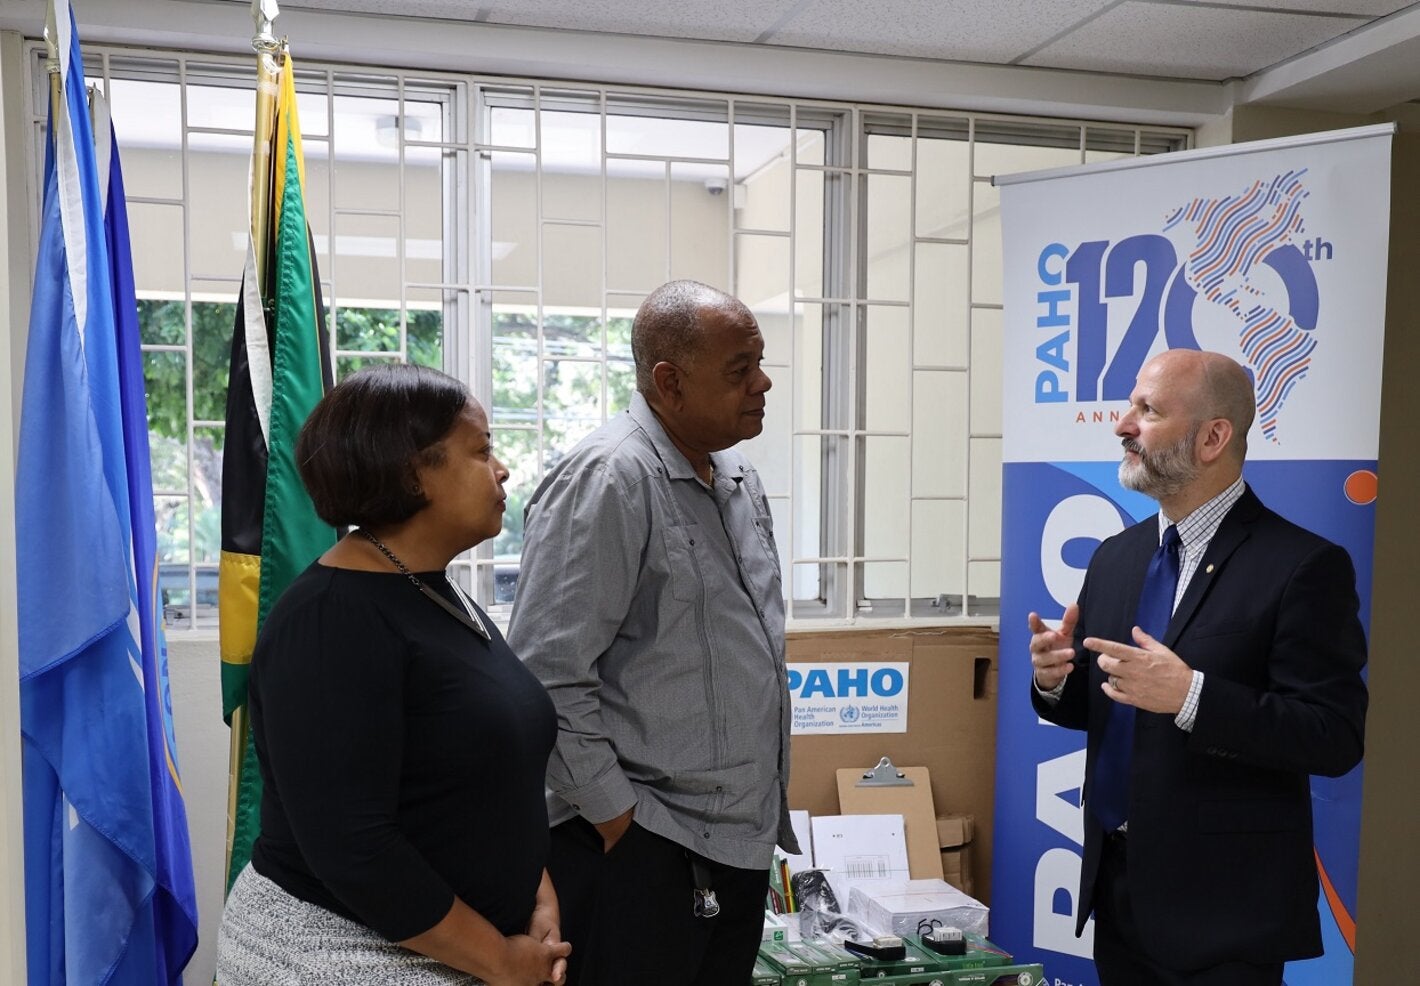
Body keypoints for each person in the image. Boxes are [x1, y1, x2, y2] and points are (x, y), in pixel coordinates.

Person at [216, 364, 571, 986]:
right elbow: (354, 847)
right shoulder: (330, 620)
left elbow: (488, 778)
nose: (503, 468)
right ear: (414, 472)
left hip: (460, 948)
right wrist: (499, 958)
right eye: (482, 449)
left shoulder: (433, 589)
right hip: (339, 957)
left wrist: (536, 892)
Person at [1028, 348, 1368, 986]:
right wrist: (1054, 683)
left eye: (1147, 410)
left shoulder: (1301, 566)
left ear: (1213, 437)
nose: (1122, 424)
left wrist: (1191, 696)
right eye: (1130, 405)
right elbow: (1104, 707)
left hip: (1225, 919)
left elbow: (1334, 735)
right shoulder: (1116, 557)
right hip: (1118, 897)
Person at [507, 279, 798, 986]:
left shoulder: (736, 474)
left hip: (734, 844)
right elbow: (546, 676)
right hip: (641, 849)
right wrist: (620, 823)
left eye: (759, 362)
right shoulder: (609, 478)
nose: (762, 384)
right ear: (668, 382)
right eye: (739, 371)